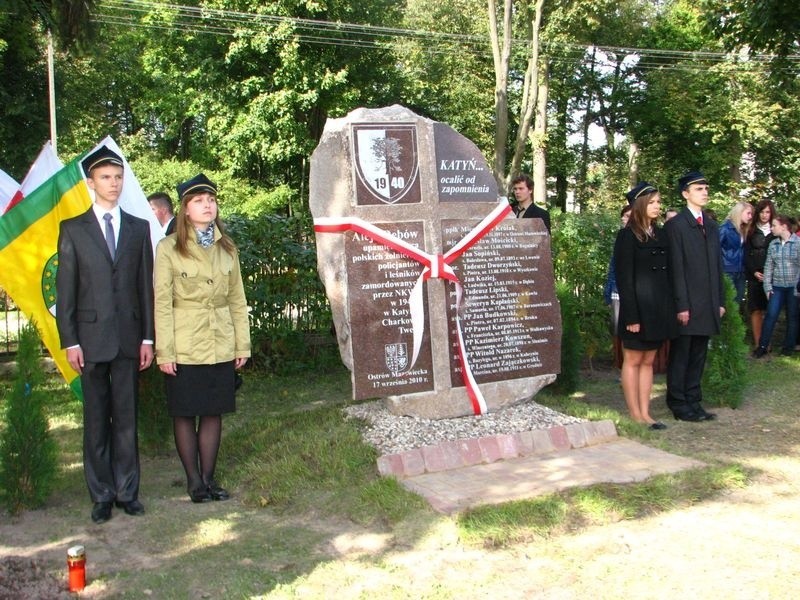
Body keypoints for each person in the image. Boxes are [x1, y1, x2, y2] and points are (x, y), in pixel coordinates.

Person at [56, 145, 154, 523]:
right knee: (97, 420)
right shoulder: (73, 229)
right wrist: (70, 340)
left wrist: (147, 338)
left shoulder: (137, 227)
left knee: (127, 418)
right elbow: (66, 291)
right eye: (105, 178)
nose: (113, 184)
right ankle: (101, 494)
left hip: (129, 339)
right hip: (90, 340)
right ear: (91, 183)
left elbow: (144, 287)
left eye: (117, 177)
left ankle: (128, 491)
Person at [154, 174, 251, 503]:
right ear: (184, 210)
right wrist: (164, 352)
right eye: (198, 201)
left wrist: (242, 344)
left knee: (213, 412)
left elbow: (237, 299)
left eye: (210, 199)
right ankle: (194, 482)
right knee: (185, 412)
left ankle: (209, 479)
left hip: (220, 341)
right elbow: (162, 304)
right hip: (184, 344)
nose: (207, 205)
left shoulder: (228, 248)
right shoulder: (168, 249)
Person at [614, 182, 676, 430]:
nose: (657, 207)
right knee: (633, 359)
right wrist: (631, 315)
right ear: (640, 205)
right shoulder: (627, 236)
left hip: (658, 309)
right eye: (652, 202)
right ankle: (635, 414)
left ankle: (646, 413)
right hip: (637, 309)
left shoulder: (661, 234)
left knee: (648, 360)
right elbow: (624, 279)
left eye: (659, 202)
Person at [664, 171, 725, 422]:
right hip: (687, 303)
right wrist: (682, 305)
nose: (705, 192)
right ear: (685, 194)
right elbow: (676, 268)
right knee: (682, 354)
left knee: (699, 354)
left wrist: (719, 301)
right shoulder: (675, 226)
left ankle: (694, 400)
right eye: (699, 189)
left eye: (706, 188)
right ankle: (678, 403)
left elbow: (717, 267)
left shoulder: (710, 225)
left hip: (707, 302)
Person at [753, 215, 800, 358]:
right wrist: (768, 287)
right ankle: (762, 346)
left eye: (774, 225)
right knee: (771, 316)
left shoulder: (798, 243)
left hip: (794, 287)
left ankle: (788, 347)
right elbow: (768, 267)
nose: (772, 228)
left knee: (792, 317)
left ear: (784, 227)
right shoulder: (773, 244)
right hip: (777, 287)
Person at [744, 199, 776, 349]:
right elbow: (745, 254)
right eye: (762, 212)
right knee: (756, 309)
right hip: (754, 275)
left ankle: (767, 342)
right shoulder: (751, 230)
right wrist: (754, 271)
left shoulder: (776, 230)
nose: (765, 215)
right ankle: (758, 343)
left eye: (768, 212)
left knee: (770, 310)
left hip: (773, 276)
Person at [604, 204, 632, 369]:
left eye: (628, 216)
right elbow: (613, 268)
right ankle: (624, 367)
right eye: (624, 216)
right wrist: (609, 292)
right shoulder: (621, 237)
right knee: (618, 331)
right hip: (617, 292)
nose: (624, 219)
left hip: (633, 294)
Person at [719, 201, 754, 305]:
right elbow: (714, 249)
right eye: (748, 213)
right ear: (740, 212)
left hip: (741, 271)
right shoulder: (725, 228)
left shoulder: (743, 229)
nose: (750, 216)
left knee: (737, 302)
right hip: (727, 270)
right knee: (728, 303)